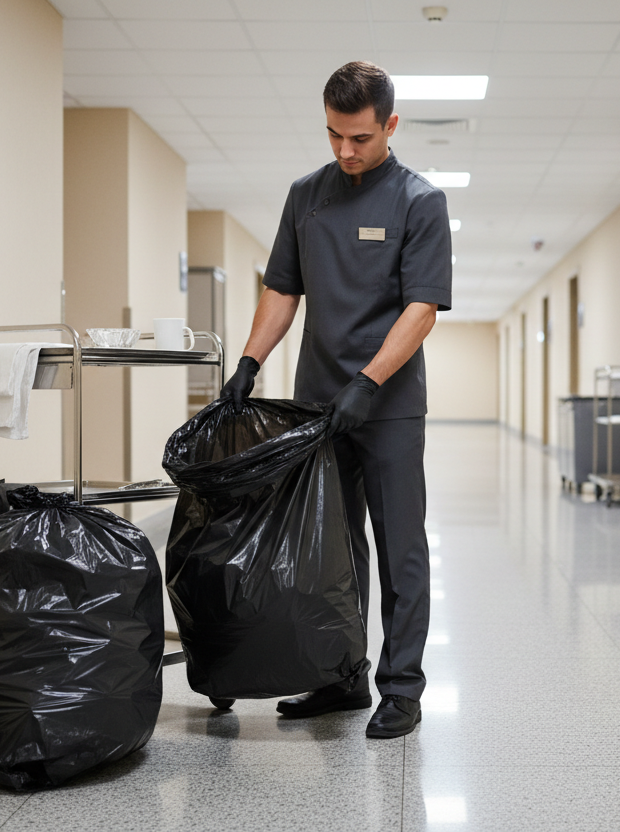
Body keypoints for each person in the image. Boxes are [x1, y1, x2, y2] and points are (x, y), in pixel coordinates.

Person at [219, 61, 451, 739]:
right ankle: (342, 678)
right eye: (333, 136)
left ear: (390, 126)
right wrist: (249, 362)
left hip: (389, 406)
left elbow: (422, 308)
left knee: (399, 547)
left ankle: (401, 689)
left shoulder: (418, 200)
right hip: (317, 404)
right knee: (331, 552)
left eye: (360, 138)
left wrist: (369, 382)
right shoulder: (306, 195)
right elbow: (283, 288)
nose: (345, 152)